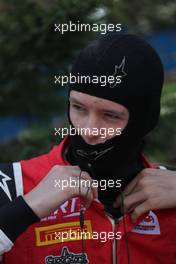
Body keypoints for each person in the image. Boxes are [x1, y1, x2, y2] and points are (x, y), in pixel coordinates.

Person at [0, 32, 176, 264]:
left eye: (110, 115)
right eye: (79, 108)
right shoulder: (10, 184)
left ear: (144, 121)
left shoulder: (170, 193)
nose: (89, 129)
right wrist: (26, 209)